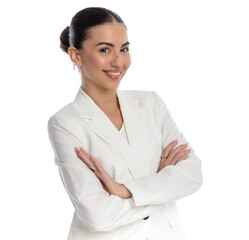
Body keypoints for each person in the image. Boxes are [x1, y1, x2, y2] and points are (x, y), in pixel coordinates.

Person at [47, 7, 202, 240]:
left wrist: (125, 190)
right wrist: (161, 186)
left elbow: (192, 175)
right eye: (105, 50)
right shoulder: (65, 123)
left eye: (124, 49)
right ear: (75, 55)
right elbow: (98, 216)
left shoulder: (151, 103)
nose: (118, 61)